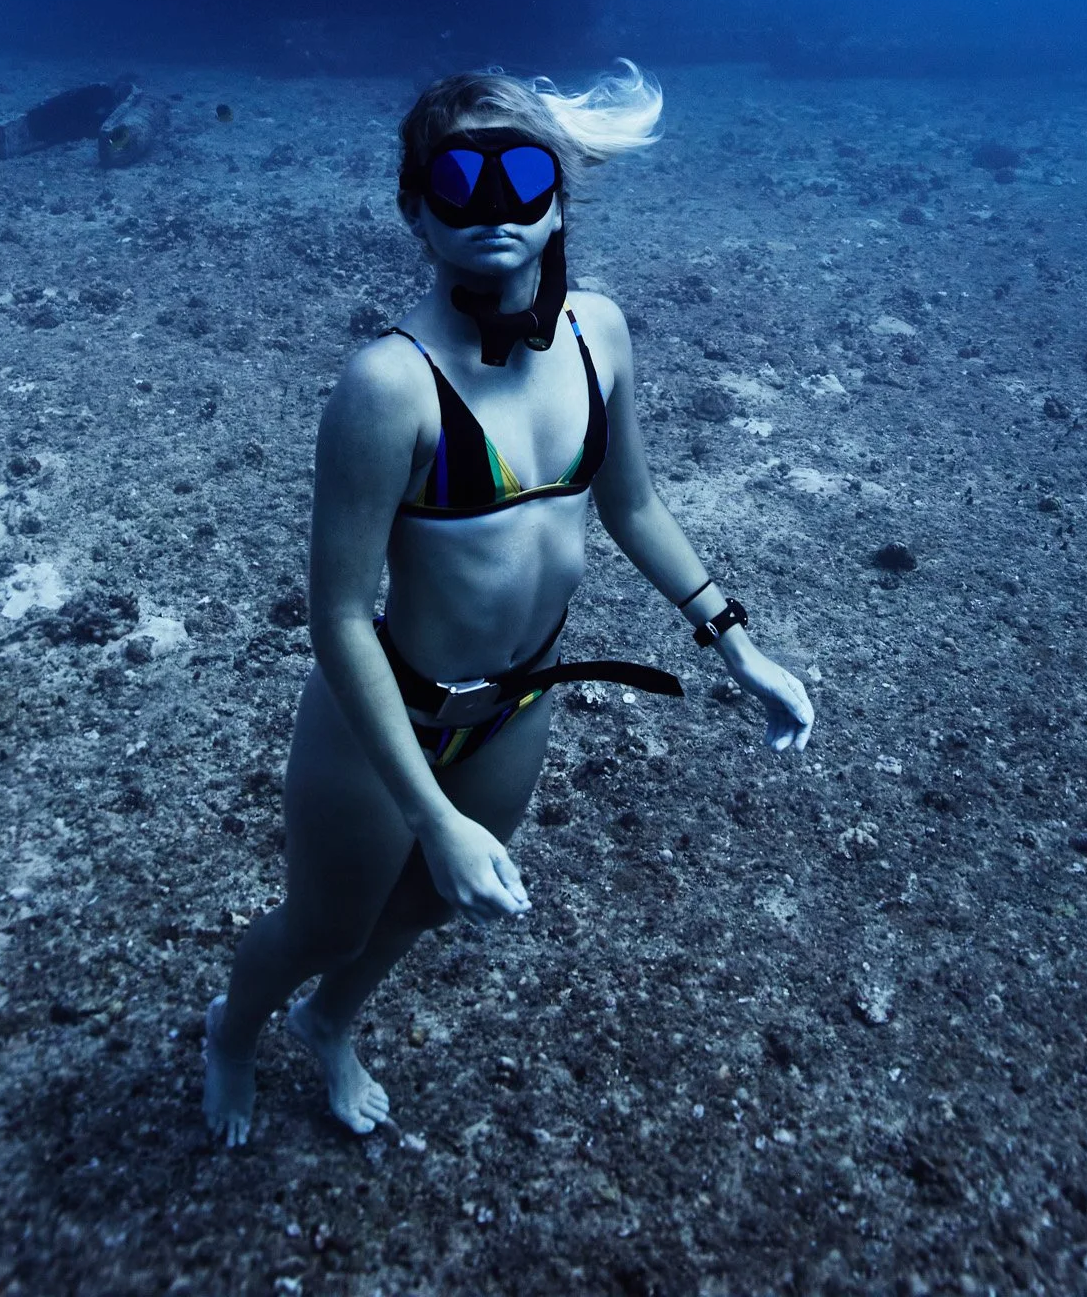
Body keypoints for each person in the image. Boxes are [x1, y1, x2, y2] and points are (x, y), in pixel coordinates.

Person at [203, 63, 814, 1147]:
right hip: (381, 711)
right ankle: (233, 1034)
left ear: (558, 201)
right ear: (414, 208)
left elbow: (632, 503)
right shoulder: (385, 384)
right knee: (322, 921)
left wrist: (738, 644)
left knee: (432, 901)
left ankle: (328, 1026)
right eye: (457, 178)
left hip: (515, 705)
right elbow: (337, 614)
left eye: (519, 172)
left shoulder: (602, 334)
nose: (491, 203)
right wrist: (428, 812)